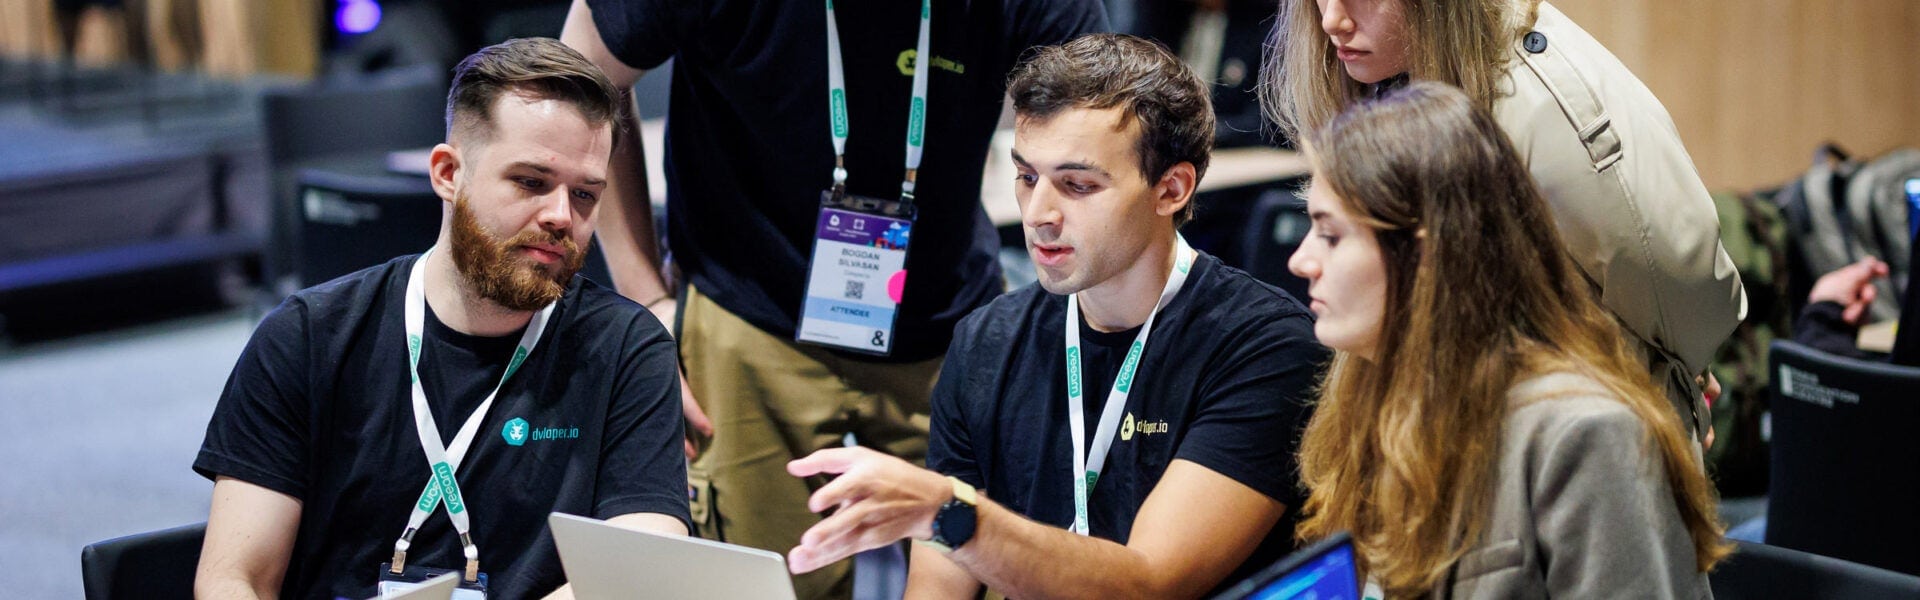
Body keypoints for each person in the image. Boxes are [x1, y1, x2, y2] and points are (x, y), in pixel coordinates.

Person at [560, 1, 1106, 596]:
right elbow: (583, 71)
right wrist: (647, 304)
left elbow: (1106, 124)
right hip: (749, 318)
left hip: (950, 325)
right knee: (764, 583)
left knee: (993, 567)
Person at [777, 33, 1325, 599]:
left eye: (1077, 184)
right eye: (1026, 176)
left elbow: (1152, 585)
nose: (1039, 214)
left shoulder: (1264, 348)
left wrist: (951, 514)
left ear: (1171, 189)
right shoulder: (987, 341)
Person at [192, 38, 689, 600]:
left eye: (584, 194)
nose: (560, 216)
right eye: (530, 182)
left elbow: (644, 559)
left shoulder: (625, 347)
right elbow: (235, 579)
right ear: (448, 173)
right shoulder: (308, 337)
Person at [1286, 81, 1728, 598]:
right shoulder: (1380, 397)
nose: (1300, 261)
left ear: (1427, 256)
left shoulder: (1587, 434)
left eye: (1331, 235)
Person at [1262, 0, 1747, 442]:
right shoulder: (1387, 70)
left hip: (1575, 447)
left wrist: (1677, 380)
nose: (1331, 20)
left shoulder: (1541, 108)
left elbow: (1690, 291)